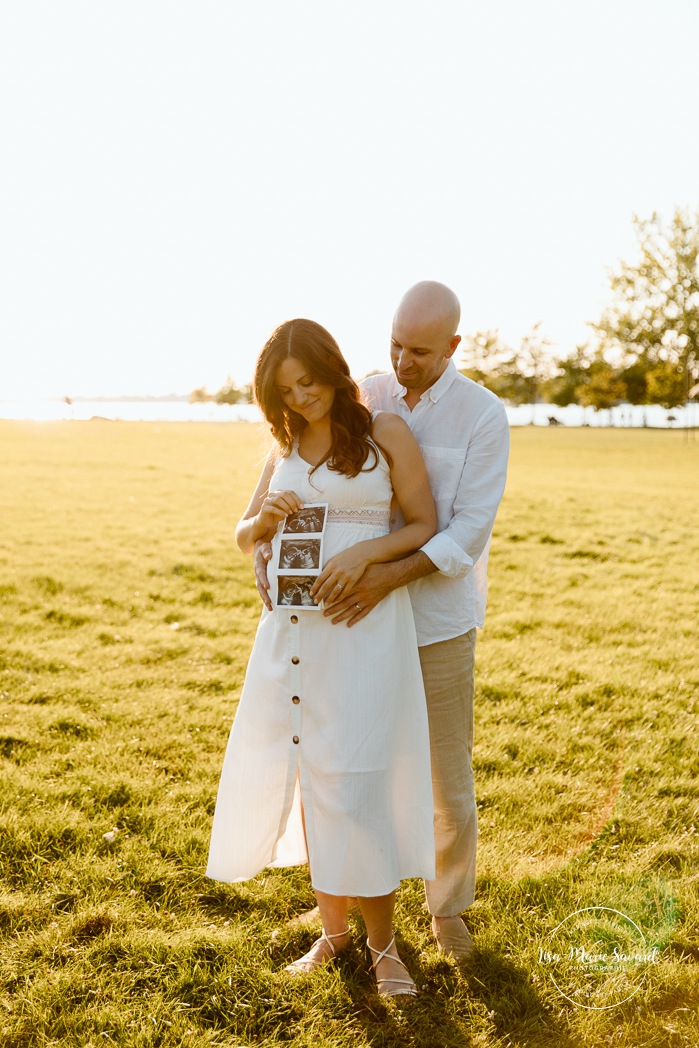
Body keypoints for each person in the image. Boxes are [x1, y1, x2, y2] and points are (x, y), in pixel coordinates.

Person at [255, 282, 510, 960]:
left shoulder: (483, 417)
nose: (402, 361)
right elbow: (305, 473)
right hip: (351, 621)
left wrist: (383, 576)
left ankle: (446, 910)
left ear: (453, 346)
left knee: (442, 775)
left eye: (419, 351)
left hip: (435, 618)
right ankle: (345, 916)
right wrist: (270, 551)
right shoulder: (365, 392)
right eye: (394, 345)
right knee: (345, 764)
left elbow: (466, 530)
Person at [207, 318, 438, 997]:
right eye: (285, 389)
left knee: (360, 775)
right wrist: (266, 523)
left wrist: (367, 554)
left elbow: (424, 523)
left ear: (331, 370)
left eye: (308, 381)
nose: (301, 397)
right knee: (312, 770)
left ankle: (385, 945)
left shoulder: (382, 434)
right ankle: (333, 931)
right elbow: (243, 535)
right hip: (294, 633)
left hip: (361, 624)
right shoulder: (282, 446)